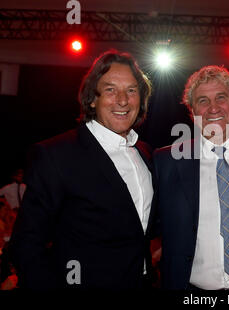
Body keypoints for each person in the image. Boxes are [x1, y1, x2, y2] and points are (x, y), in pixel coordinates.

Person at [9, 50, 155, 290]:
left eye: (131, 90)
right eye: (110, 89)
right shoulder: (56, 154)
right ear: (92, 99)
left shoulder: (145, 153)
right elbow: (26, 244)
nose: (122, 100)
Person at [152, 65, 229, 290]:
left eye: (221, 97)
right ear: (192, 111)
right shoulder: (167, 162)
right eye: (203, 101)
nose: (213, 108)